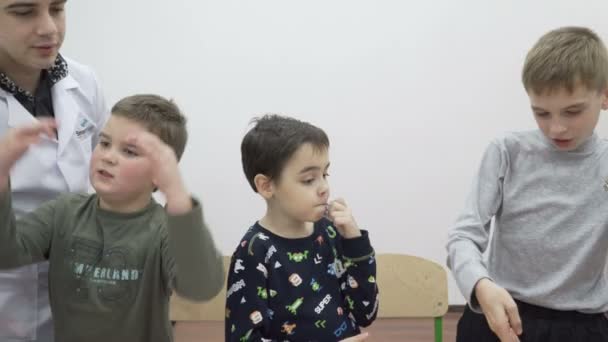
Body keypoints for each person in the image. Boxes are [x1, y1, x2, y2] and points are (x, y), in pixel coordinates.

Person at [0, 94, 225, 342]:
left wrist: (176, 193)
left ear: (159, 173)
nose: (108, 156)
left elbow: (201, 286)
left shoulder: (162, 230)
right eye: (105, 143)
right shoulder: (63, 211)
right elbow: (6, 253)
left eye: (129, 151)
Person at [447, 26, 608, 342]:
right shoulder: (507, 151)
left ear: (604, 96)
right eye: (541, 113)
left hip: (581, 325)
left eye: (572, 111)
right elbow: (463, 235)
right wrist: (480, 286)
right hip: (498, 312)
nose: (556, 128)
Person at [0, 0, 110, 340]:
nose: (49, 27)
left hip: (74, 294)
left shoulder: (83, 81)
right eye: (23, 11)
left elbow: (106, 174)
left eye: (57, 8)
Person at [225, 114, 378, 342]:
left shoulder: (330, 231)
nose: (324, 188)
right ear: (266, 186)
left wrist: (355, 242)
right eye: (309, 180)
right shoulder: (254, 252)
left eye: (325, 174)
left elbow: (366, 312)